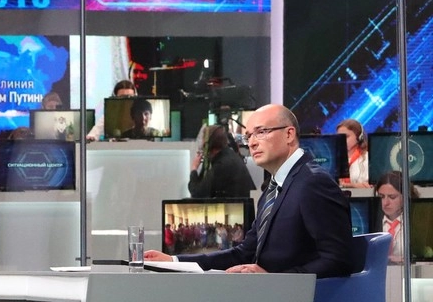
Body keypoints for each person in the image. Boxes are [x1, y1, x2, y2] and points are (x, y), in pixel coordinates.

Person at [145, 104, 353, 277]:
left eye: (261, 132)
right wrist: (174, 261)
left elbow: (339, 259)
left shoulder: (313, 183)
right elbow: (244, 253)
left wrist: (274, 279)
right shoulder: (273, 188)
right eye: (248, 136)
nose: (252, 143)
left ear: (289, 134)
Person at [188, 125, 255, 198]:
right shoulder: (229, 156)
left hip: (235, 205)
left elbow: (197, 193)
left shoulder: (222, 165)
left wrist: (194, 169)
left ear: (208, 143)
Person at [376, 170, 420, 264]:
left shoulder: (417, 221)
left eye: (392, 197)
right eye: (381, 197)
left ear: (406, 197)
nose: (385, 203)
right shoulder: (372, 221)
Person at [337, 118, 370, 188]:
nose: (341, 140)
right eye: (339, 137)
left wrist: (349, 185)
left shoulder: (368, 159)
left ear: (359, 137)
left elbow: (371, 186)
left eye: (346, 136)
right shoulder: (334, 159)